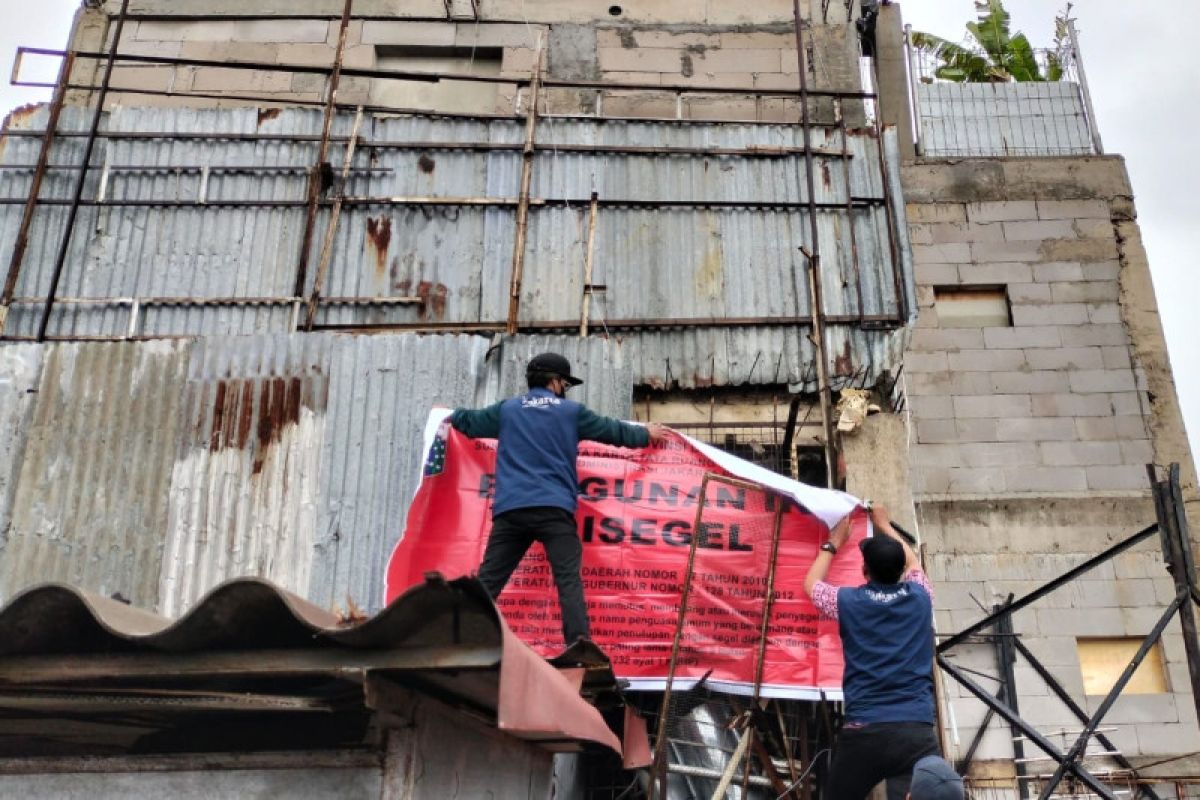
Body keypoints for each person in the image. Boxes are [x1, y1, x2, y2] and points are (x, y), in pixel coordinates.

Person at [449, 352, 666, 647]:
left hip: (511, 511)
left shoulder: (507, 411)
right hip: (554, 511)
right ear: (554, 382)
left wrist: (450, 413)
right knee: (568, 580)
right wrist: (645, 434)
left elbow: (469, 423)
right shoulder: (570, 412)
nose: (565, 389)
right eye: (564, 383)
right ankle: (578, 645)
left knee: (488, 583)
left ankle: (456, 640)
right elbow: (613, 431)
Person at [802, 503, 940, 800]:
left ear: (864, 571)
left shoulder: (849, 602)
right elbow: (914, 564)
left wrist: (833, 542)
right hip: (916, 731)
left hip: (865, 731)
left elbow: (811, 585)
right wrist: (885, 525)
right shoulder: (920, 596)